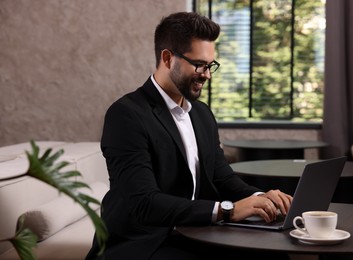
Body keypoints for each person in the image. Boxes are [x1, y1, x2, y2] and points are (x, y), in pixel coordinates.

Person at [86, 11, 293, 260]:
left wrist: (261, 198)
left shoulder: (202, 114)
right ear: (167, 58)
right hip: (144, 242)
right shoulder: (126, 115)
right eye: (199, 65)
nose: (207, 75)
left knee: (273, 255)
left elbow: (222, 178)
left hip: (195, 232)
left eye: (210, 65)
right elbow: (144, 203)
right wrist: (227, 210)